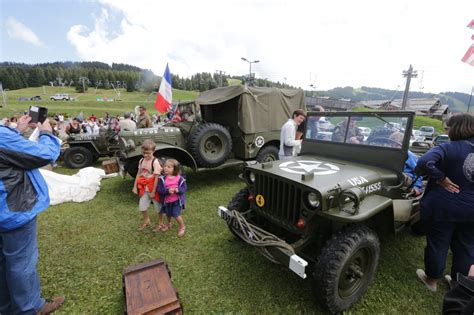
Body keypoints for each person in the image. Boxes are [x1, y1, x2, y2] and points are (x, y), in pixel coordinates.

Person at [0, 115, 65, 314]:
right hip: (12, 208)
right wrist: (46, 132)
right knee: (21, 262)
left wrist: (16, 130)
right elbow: (44, 155)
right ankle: (29, 308)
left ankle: (5, 306)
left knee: (3, 262)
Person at [415, 113, 474, 292]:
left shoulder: (448, 147)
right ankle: (457, 284)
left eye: (448, 127)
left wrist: (441, 178)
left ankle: (431, 279)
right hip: (472, 209)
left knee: (438, 242)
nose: (446, 130)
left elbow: (424, 162)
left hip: (445, 206)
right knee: (466, 247)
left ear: (456, 128)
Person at [132, 139, 162, 231]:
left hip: (153, 187)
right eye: (144, 153)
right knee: (142, 206)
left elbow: (156, 177)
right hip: (145, 188)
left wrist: (153, 191)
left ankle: (160, 223)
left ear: (153, 151)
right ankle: (146, 220)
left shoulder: (155, 162)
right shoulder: (141, 160)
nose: (146, 155)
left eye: (148, 153)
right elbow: (138, 173)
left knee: (158, 208)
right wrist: (135, 187)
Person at [156, 159, 187, 237]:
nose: (165, 168)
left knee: (176, 214)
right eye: (165, 166)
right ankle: (169, 224)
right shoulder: (162, 178)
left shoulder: (179, 179)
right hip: (166, 201)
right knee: (168, 213)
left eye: (169, 167)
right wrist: (167, 191)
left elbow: (184, 188)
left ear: (175, 169)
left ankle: (182, 226)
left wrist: (178, 190)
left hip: (176, 201)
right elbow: (159, 189)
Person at [389, 132, 423, 196]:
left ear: (404, 145)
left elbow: (418, 172)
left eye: (396, 145)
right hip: (393, 174)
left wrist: (416, 186)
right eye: (391, 144)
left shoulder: (409, 155)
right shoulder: (390, 153)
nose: (393, 147)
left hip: (405, 177)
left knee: (400, 175)